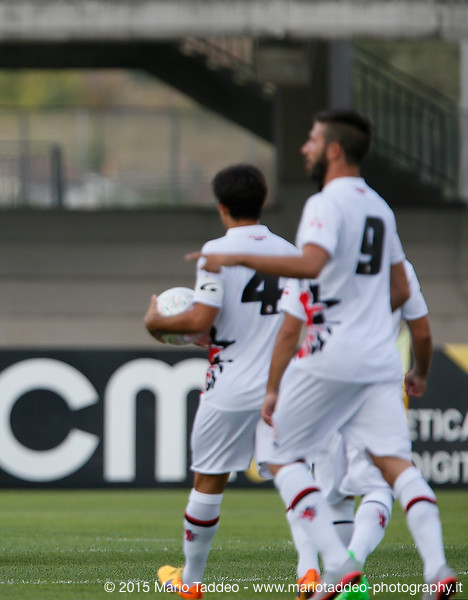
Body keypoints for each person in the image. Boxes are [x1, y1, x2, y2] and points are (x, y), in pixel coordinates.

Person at [199, 109, 457, 599]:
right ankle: (438, 570)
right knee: (396, 466)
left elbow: (311, 265)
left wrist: (235, 256)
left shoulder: (324, 203)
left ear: (333, 149)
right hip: (380, 360)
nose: (305, 148)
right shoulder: (380, 208)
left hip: (331, 353)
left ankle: (334, 565)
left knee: (278, 453)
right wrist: (377, 324)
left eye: (312, 139)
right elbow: (402, 288)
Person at [143, 164, 298, 599]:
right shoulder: (290, 252)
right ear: (263, 200)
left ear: (222, 206)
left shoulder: (217, 250)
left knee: (209, 480)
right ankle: (314, 571)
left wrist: (157, 322)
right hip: (279, 383)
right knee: (293, 475)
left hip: (229, 381)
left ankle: (191, 584)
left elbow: (201, 318)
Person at [293, 259, 433, 597]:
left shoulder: (319, 262)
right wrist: (420, 371)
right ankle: (352, 564)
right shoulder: (396, 266)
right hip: (377, 381)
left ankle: (323, 571)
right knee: (383, 482)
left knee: (331, 491)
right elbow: (422, 331)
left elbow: (291, 324)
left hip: (324, 382)